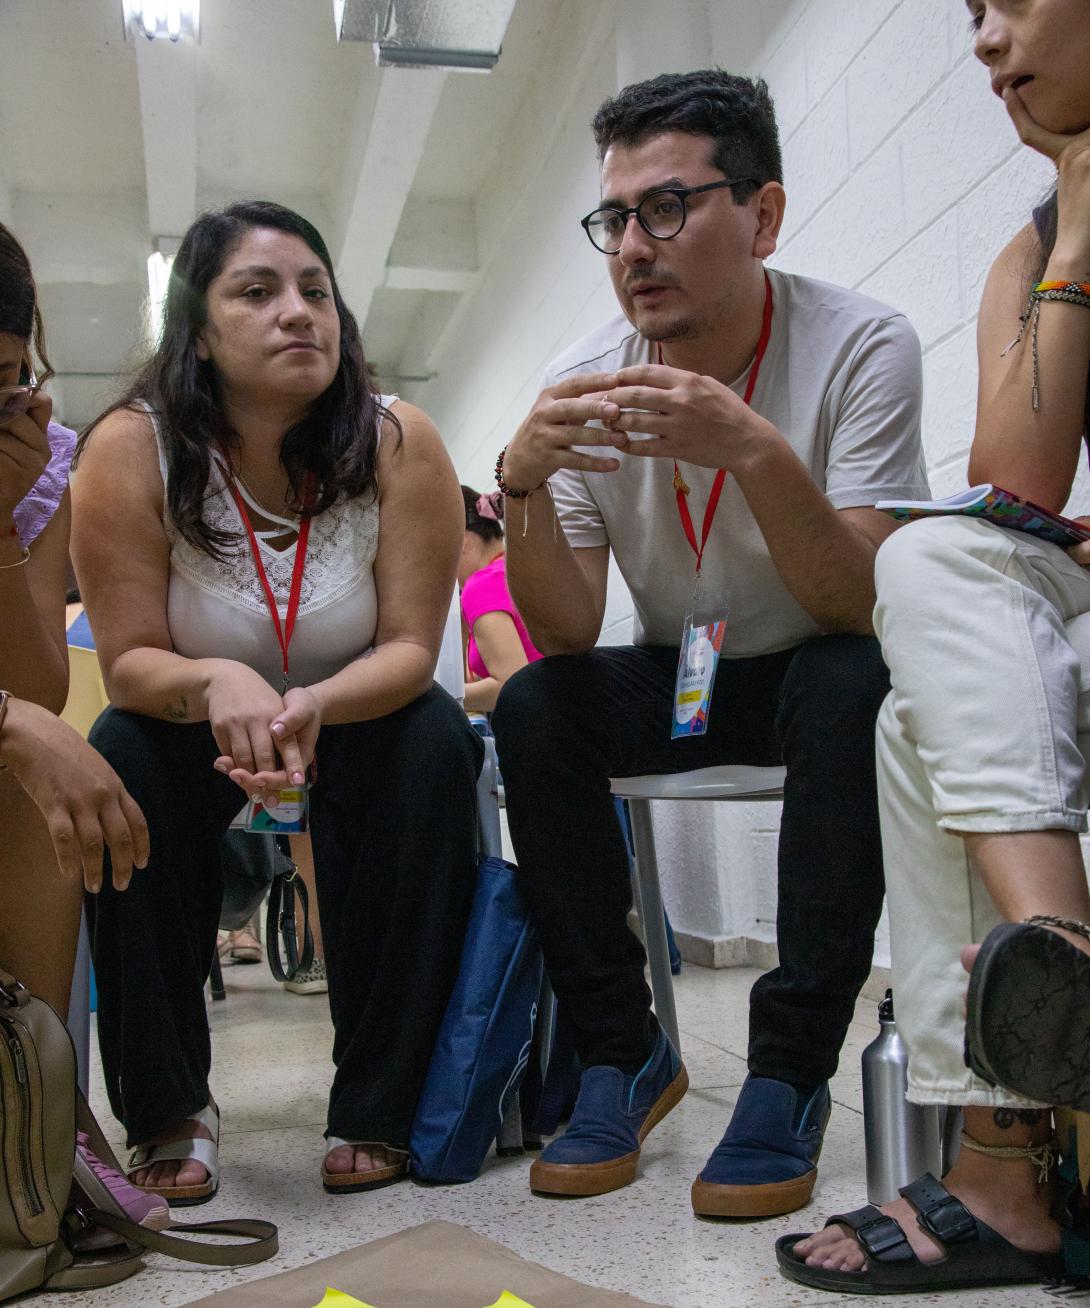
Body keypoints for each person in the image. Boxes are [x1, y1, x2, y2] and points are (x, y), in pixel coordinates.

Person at [490, 70, 928, 1214]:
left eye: (668, 209)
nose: (634, 245)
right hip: (687, 676)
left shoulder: (861, 344)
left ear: (764, 216)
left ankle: (785, 1071)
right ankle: (620, 1050)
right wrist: (521, 483)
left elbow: (859, 601)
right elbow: (565, 628)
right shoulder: (581, 380)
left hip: (815, 662)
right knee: (536, 706)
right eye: (615, 220)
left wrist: (756, 453)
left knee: (858, 677)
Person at [71, 200, 482, 1203]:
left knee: (433, 739)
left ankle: (381, 1100)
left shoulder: (399, 440)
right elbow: (129, 662)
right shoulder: (132, 447)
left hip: (357, 710)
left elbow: (409, 648)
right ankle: (168, 1105)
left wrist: (311, 706)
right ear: (199, 333)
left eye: (315, 291)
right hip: (189, 721)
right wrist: (219, 679)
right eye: (256, 293)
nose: (298, 313)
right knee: (116, 752)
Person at [778, 0, 1090, 1293]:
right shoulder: (1033, 245)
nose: (981, 39)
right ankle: (1059, 976)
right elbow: (1014, 475)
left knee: (920, 701)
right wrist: (1078, 208)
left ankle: (1005, 1153)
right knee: (929, 577)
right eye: (963, 14)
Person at [0, 223, 161, 1232]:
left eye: (5, 379)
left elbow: (32, 682)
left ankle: (40, 1106)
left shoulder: (37, 466)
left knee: (43, 773)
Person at [459, 485, 542, 715]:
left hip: (543, 721)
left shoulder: (480, 585)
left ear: (463, 542)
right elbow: (478, 677)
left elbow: (511, 684)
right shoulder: (513, 570)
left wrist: (439, 697)